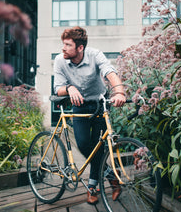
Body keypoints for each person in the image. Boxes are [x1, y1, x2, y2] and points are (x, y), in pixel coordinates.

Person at [53, 26, 126, 205]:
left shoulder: (95, 55)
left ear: (80, 48)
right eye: (63, 44)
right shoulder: (60, 60)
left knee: (98, 146)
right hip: (79, 106)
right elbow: (58, 88)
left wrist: (119, 92)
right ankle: (112, 178)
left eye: (68, 45)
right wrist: (70, 88)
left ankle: (92, 187)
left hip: (99, 104)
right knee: (85, 145)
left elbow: (110, 72)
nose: (63, 48)